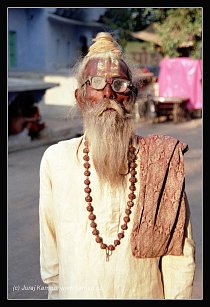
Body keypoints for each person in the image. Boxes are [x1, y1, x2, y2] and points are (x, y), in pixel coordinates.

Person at [39, 32, 196, 299]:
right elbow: (50, 254)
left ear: (131, 97)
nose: (109, 93)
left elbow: (178, 255)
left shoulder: (161, 160)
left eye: (120, 84)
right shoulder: (56, 160)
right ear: (80, 97)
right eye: (96, 83)